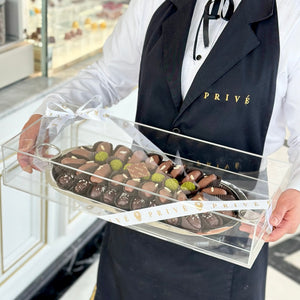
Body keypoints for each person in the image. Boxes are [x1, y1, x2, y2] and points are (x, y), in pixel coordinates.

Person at [18, 0, 300, 299]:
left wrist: (296, 189)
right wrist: (49, 114)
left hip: (225, 235)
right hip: (133, 210)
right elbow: (108, 76)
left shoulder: (292, 15)